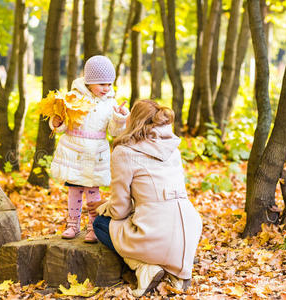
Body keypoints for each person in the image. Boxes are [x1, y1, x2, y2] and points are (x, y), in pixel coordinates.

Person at [91, 99, 202, 297]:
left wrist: (103, 207)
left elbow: (120, 210)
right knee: (152, 221)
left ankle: (145, 268)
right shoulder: (173, 148)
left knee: (100, 224)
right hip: (190, 230)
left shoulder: (124, 152)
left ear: (133, 121)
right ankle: (177, 271)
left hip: (157, 232)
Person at [50, 55, 129, 243]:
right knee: (74, 190)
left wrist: (119, 118)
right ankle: (72, 224)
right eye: (102, 84)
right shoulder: (74, 99)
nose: (106, 88)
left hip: (96, 154)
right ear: (89, 81)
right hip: (75, 151)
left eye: (109, 84)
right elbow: (64, 123)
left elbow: (114, 131)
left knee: (93, 191)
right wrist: (57, 123)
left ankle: (93, 227)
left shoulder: (111, 103)